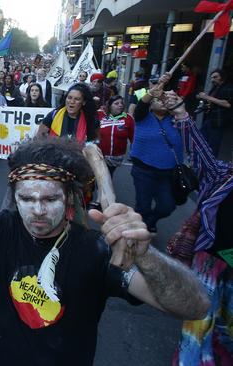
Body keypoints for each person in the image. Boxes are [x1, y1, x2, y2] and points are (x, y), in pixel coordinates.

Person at [0, 137, 210, 366]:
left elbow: (195, 306)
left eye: (50, 198)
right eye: (26, 198)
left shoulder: (98, 251)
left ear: (71, 197)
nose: (37, 210)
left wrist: (145, 256)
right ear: (14, 196)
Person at [160, 91, 233, 366]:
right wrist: (180, 112)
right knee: (200, 321)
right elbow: (202, 153)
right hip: (211, 257)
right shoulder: (223, 175)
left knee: (228, 326)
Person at [130, 73, 180, 232]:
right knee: (143, 205)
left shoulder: (176, 119)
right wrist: (155, 89)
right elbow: (141, 104)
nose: (162, 102)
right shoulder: (143, 116)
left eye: (163, 100)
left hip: (167, 172)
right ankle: (141, 232)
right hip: (143, 170)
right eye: (158, 100)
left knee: (167, 206)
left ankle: (150, 220)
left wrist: (169, 97)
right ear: (151, 105)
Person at [196, 69, 232, 158]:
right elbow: (212, 101)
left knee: (213, 146)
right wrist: (203, 99)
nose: (212, 79)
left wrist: (207, 97)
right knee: (200, 140)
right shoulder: (215, 88)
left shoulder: (228, 88)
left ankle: (211, 167)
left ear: (222, 77)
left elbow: (227, 104)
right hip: (209, 119)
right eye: (211, 77)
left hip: (218, 121)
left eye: (215, 77)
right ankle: (201, 161)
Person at [97, 95, 135, 176]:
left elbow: (133, 139)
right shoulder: (100, 115)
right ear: (110, 106)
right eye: (116, 103)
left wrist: (135, 155)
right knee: (99, 176)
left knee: (108, 176)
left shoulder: (128, 119)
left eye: (121, 103)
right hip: (99, 154)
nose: (120, 105)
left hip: (116, 157)